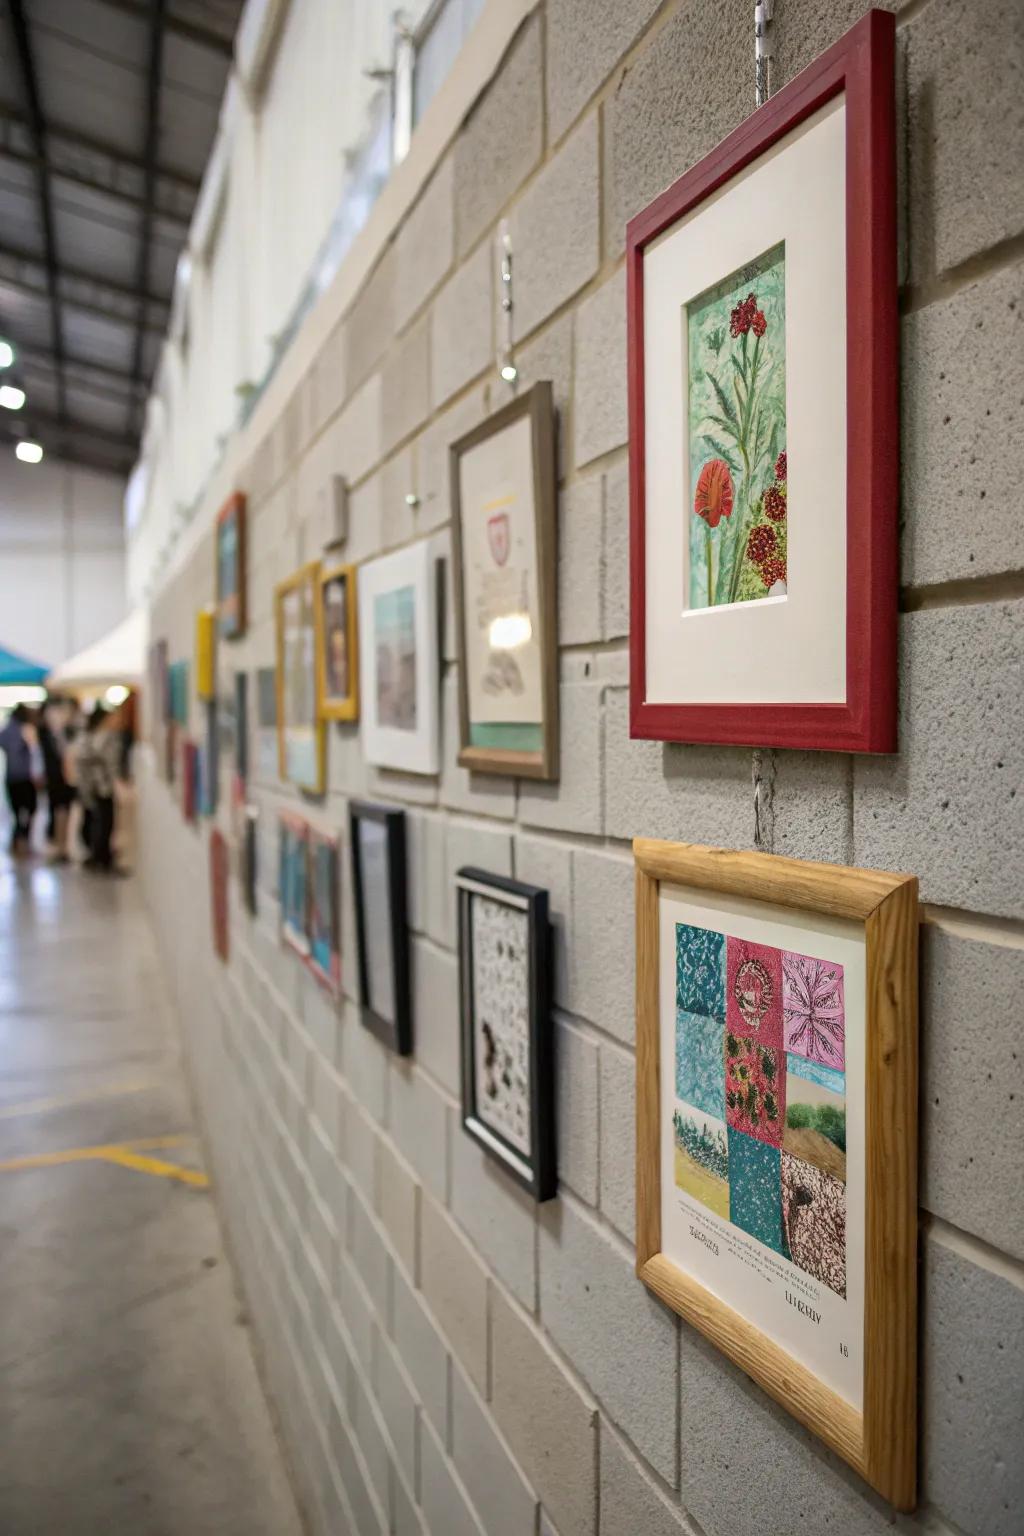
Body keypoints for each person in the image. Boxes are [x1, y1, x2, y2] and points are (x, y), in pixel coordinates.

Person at [75, 706, 123, 873]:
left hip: (97, 785)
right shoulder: (101, 737)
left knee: (103, 822)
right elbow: (103, 760)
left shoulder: (93, 736)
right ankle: (101, 859)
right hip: (99, 786)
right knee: (104, 822)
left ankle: (101, 856)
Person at [38, 698, 74, 862]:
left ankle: (63, 845)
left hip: (65, 779)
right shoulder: (43, 735)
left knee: (65, 810)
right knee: (56, 810)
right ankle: (57, 845)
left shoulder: (69, 734)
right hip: (54, 779)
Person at [0, 704, 39, 854]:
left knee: (17, 813)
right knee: (29, 809)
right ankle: (22, 840)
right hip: (25, 776)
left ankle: (16, 841)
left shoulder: (7, 729)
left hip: (12, 777)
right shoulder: (26, 729)